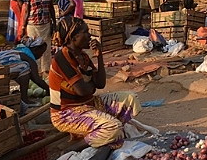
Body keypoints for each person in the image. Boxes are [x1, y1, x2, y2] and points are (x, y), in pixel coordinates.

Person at [49, 18, 140, 148]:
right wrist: (92, 86)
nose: (90, 35)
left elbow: (100, 84)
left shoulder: (83, 57)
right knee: (113, 127)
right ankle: (76, 146)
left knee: (131, 98)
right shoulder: (61, 57)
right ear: (74, 38)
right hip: (66, 113)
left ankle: (102, 132)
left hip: (89, 104)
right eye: (85, 32)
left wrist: (99, 55)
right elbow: (83, 90)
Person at [0, 37, 50, 106]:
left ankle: (21, 96)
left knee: (25, 68)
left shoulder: (21, 50)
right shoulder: (28, 57)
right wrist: (49, 89)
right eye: (41, 52)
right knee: (25, 66)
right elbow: (37, 79)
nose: (41, 55)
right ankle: (24, 100)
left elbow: (32, 76)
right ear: (35, 49)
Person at [21, 0, 57, 74]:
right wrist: (23, 27)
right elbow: (27, 11)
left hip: (45, 25)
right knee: (34, 48)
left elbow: (51, 9)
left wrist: (54, 24)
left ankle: (45, 70)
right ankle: (34, 69)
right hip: (32, 25)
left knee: (46, 47)